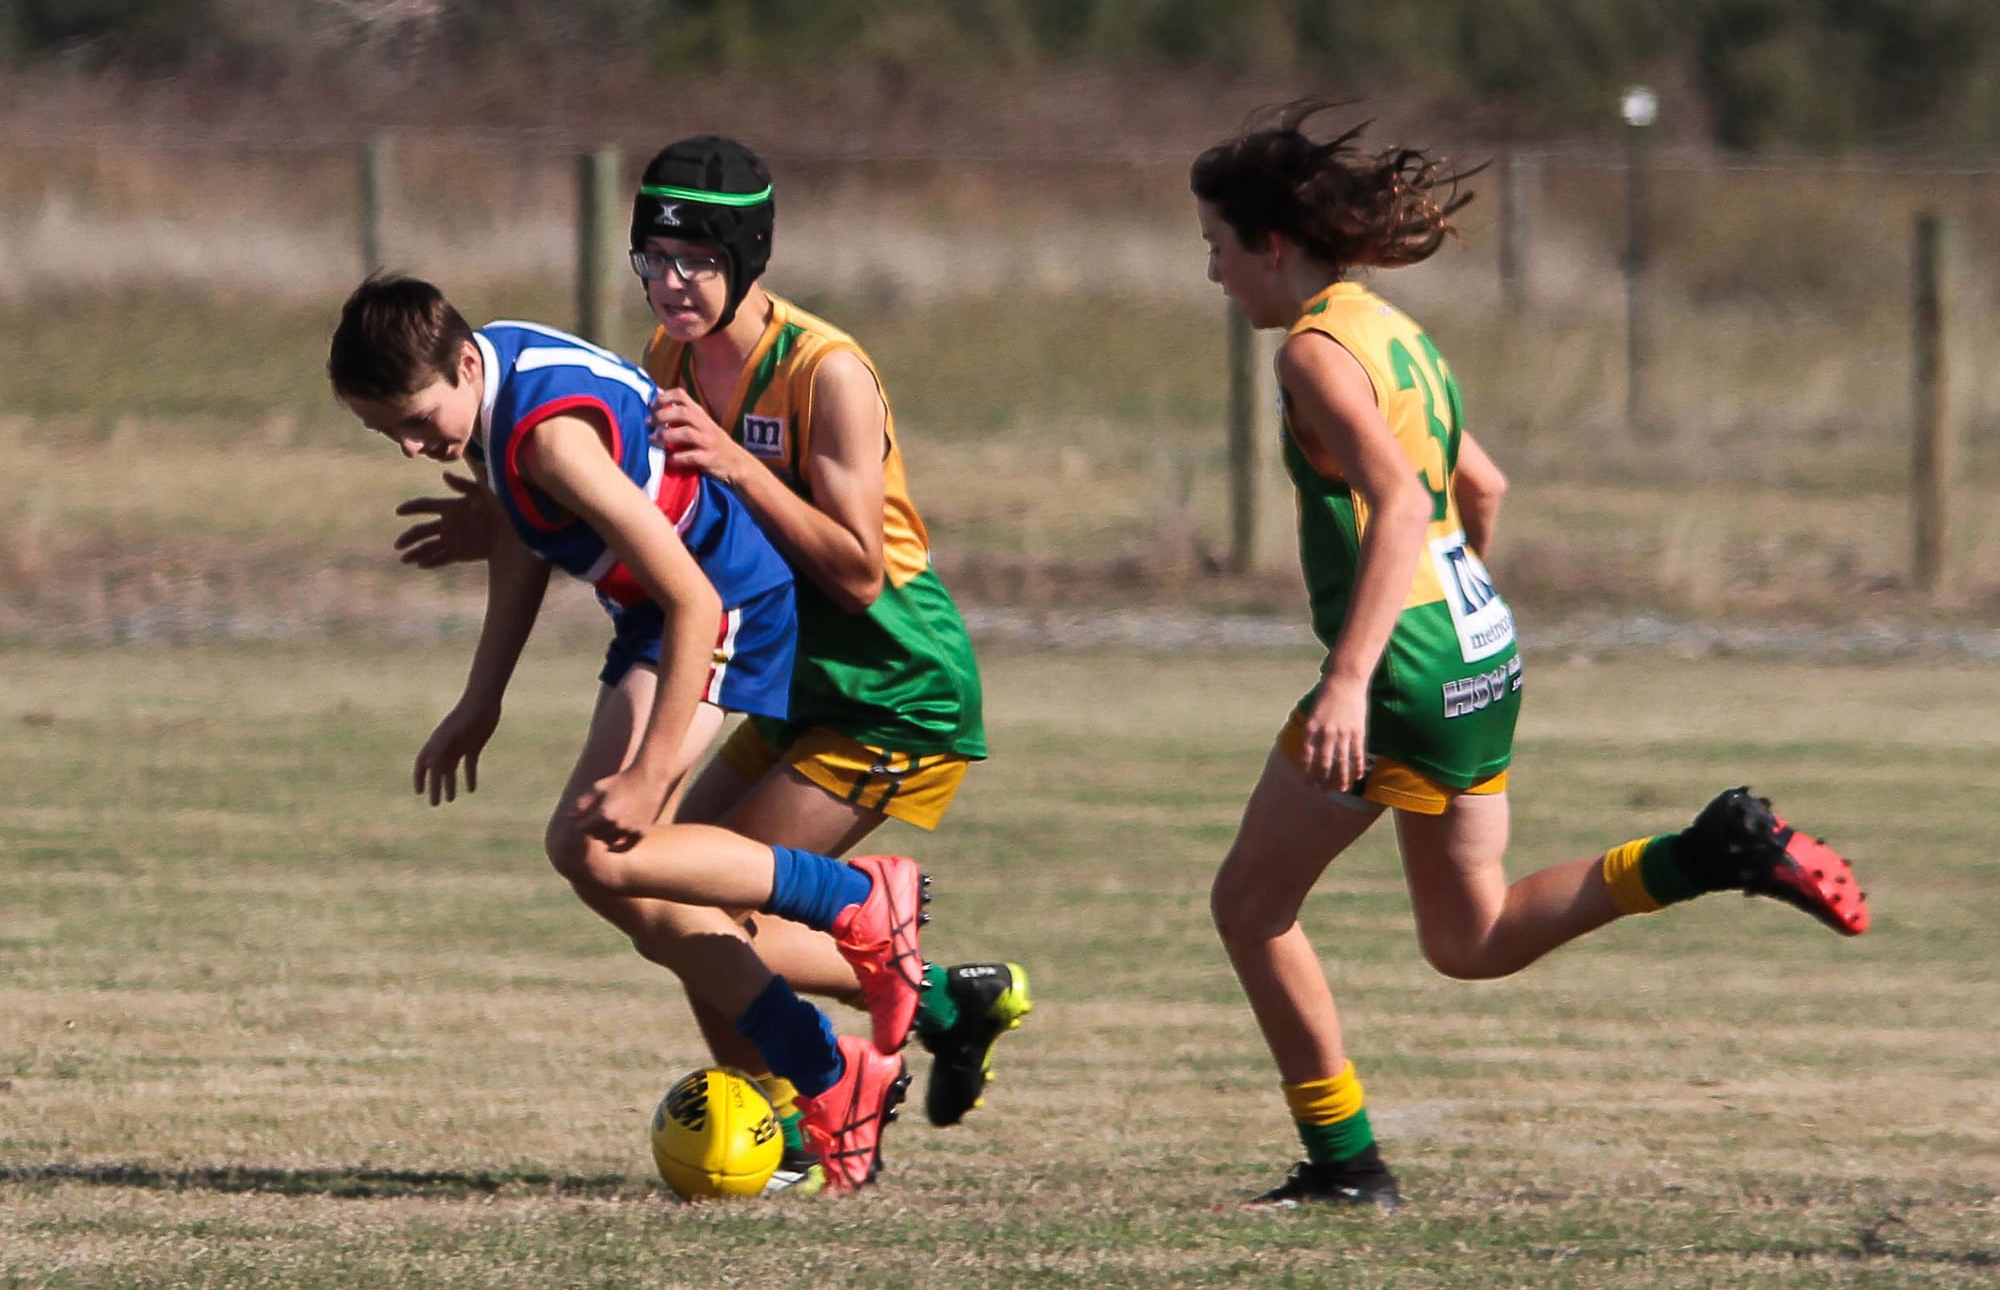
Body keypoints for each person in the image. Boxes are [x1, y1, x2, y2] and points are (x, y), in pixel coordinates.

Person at [1191, 103, 1869, 1211]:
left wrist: (1354, 677)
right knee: (1471, 938)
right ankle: (1706, 850)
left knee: (1248, 908)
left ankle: (1344, 1164)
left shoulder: (1314, 354)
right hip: (1477, 650)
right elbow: (1480, 487)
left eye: (1215, 246)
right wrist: (1457, 609)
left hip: (1405, 669)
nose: (1211, 274)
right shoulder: (1390, 329)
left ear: (1270, 244)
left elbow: (1404, 504)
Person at [393, 138, 1031, 1148]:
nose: (670, 284)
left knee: (670, 879)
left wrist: (737, 464)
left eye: (694, 259)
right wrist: (515, 514)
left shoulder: (829, 373)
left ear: (748, 256)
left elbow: (858, 571)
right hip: (776, 671)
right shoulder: (668, 360)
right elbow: (638, 507)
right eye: (652, 258)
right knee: (663, 891)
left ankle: (836, 1082)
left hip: (888, 685)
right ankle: (918, 1024)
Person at [329, 275, 926, 1193]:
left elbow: (691, 593)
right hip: (665, 616)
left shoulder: (550, 440)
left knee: (598, 843)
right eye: (387, 436)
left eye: (413, 420)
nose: (413, 448)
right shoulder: (493, 372)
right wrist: (481, 699)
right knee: (615, 872)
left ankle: (857, 910)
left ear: (456, 364)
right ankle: (833, 1068)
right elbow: (528, 541)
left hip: (721, 608)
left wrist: (651, 771)